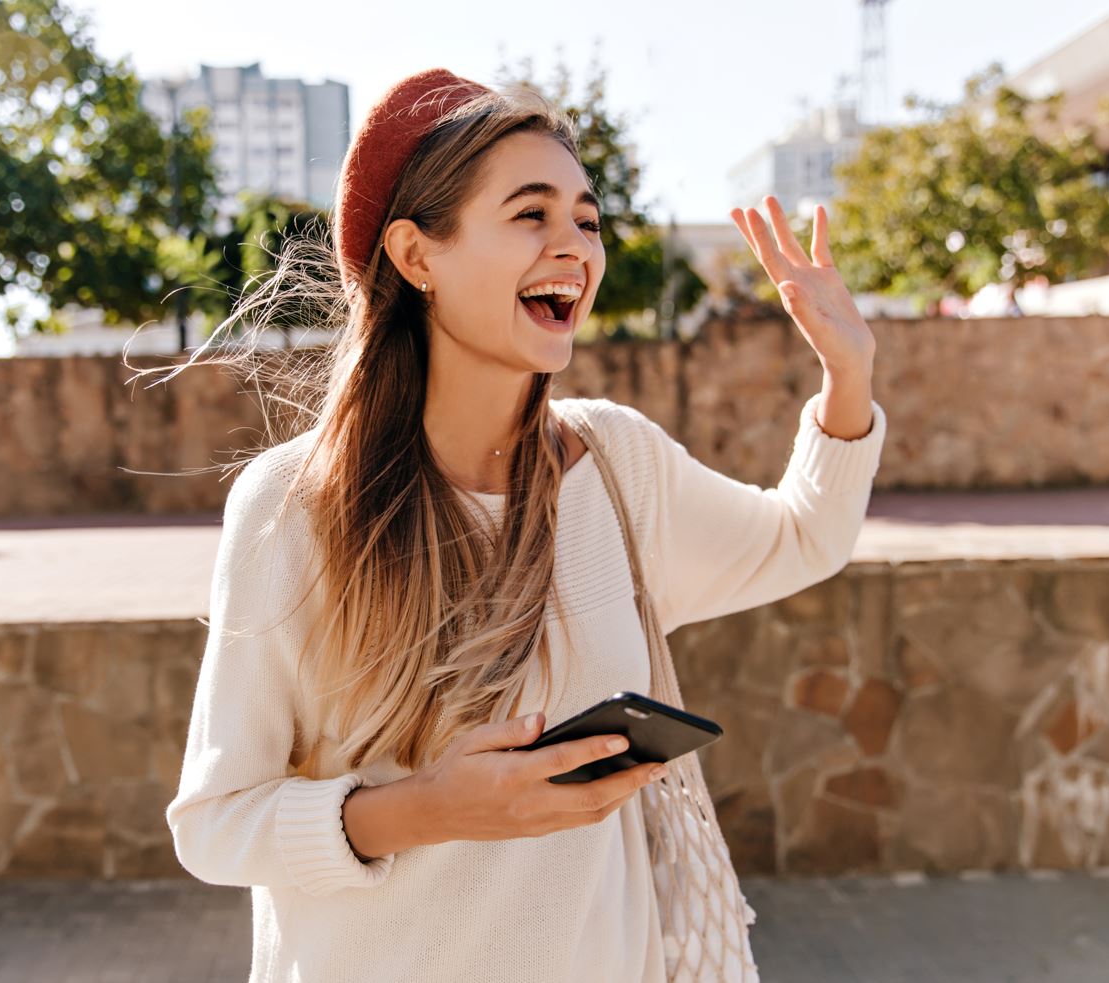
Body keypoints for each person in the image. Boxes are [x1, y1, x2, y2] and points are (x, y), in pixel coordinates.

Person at [154, 67, 887, 983]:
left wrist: (848, 379)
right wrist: (428, 807)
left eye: (586, 218)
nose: (574, 246)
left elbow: (803, 537)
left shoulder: (618, 465)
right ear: (418, 256)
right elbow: (214, 823)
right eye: (531, 214)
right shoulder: (293, 506)